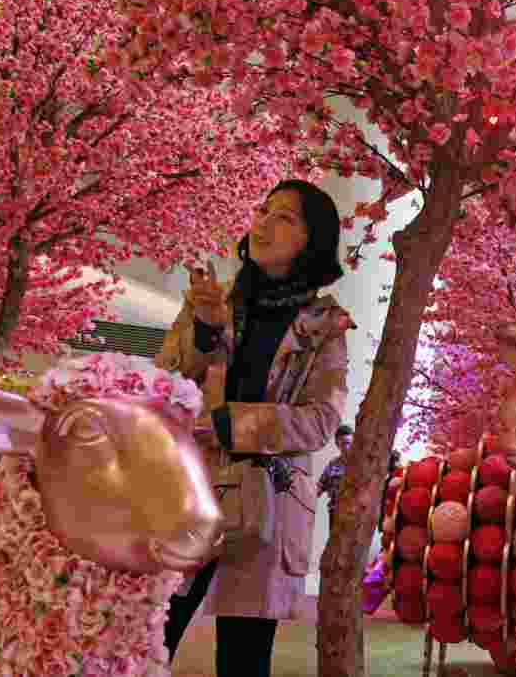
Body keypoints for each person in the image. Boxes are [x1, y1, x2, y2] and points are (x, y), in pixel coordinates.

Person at [155, 179, 353, 677]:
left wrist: (231, 424)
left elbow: (320, 421)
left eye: (284, 217)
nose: (263, 222)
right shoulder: (211, 300)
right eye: (263, 210)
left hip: (266, 502)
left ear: (313, 239)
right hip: (190, 488)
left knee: (244, 660)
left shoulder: (325, 326)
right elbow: (164, 385)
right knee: (148, 632)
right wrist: (204, 329)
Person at [317, 424, 353, 531]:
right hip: (335, 514)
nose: (346, 447)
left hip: (354, 516)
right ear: (337, 444)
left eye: (349, 443)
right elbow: (319, 487)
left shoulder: (361, 465)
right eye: (343, 444)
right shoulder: (332, 465)